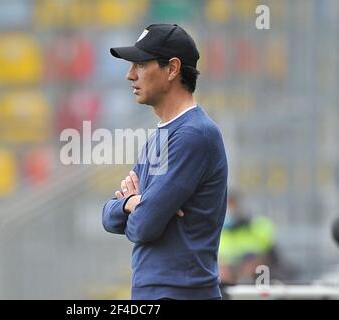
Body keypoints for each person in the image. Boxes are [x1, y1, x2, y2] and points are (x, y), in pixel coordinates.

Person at [101, 24, 228, 300]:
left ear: (172, 69)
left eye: (141, 64)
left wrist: (141, 207)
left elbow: (143, 226)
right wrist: (130, 203)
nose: (129, 75)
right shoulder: (164, 135)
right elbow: (109, 217)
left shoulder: (194, 135)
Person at [218, 192, 278, 286]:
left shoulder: (258, 227)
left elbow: (271, 257)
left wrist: (253, 264)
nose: (227, 209)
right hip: (226, 283)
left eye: (230, 204)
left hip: (256, 282)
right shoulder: (216, 232)